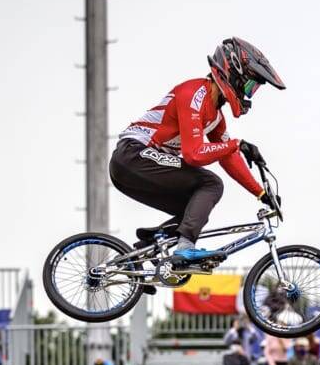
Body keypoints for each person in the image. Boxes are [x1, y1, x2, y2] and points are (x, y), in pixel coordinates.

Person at [109, 37, 285, 264]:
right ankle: (184, 248)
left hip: (139, 165)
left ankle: (140, 255)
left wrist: (261, 193)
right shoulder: (195, 94)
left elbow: (228, 158)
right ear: (234, 75)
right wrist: (237, 144)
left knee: (197, 209)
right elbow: (194, 154)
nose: (249, 94)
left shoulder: (216, 116)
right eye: (250, 86)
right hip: (133, 155)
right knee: (211, 184)